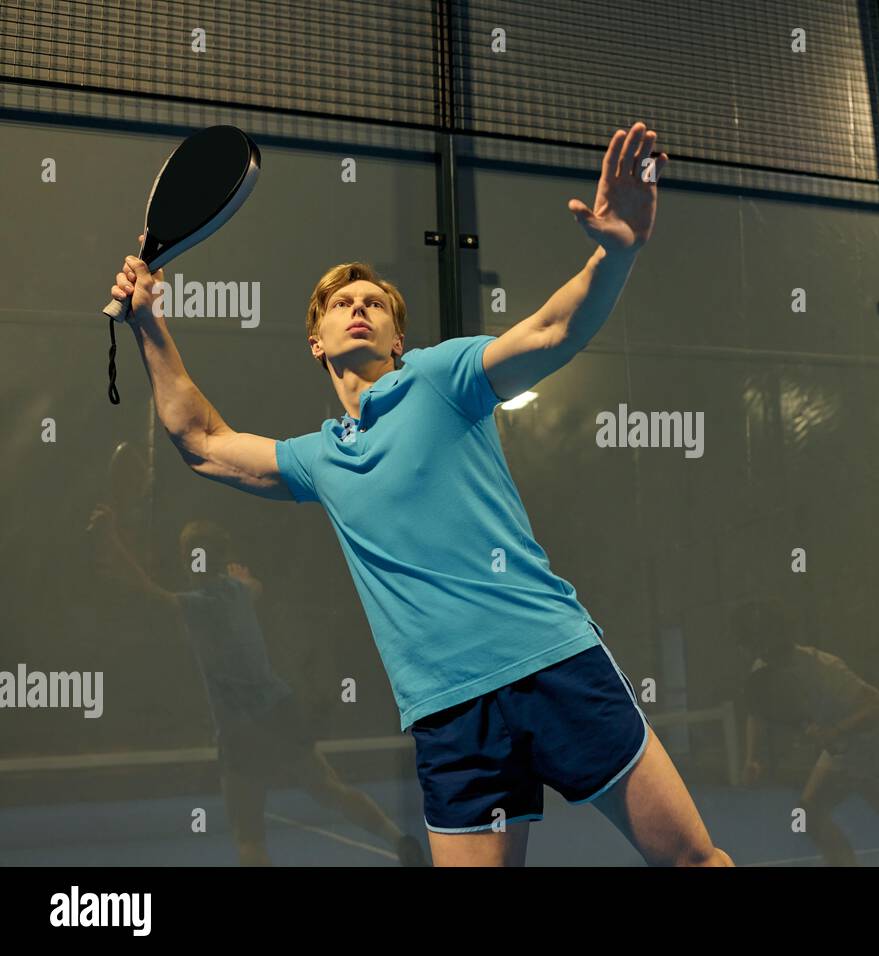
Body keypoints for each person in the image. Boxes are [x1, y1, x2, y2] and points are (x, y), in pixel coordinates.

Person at [107, 121, 733, 867]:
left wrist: (617, 248)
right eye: (341, 304)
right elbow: (202, 441)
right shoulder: (318, 460)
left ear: (399, 340)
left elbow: (554, 329)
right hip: (448, 713)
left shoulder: (442, 378)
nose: (359, 307)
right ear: (316, 342)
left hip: (554, 664)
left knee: (696, 860)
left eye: (374, 302)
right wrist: (148, 319)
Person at [87, 507, 426, 866]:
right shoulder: (239, 592)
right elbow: (255, 587)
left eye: (188, 554)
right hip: (280, 712)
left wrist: (110, 538)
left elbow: (146, 592)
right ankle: (400, 840)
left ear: (195, 559)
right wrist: (241, 577)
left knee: (247, 835)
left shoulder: (198, 606)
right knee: (331, 789)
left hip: (241, 730)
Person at [735, 599, 879, 865]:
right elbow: (757, 710)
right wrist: (752, 758)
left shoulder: (822, 668)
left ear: (770, 638)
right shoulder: (764, 667)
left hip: (864, 741)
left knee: (815, 813)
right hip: (839, 747)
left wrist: (835, 730)